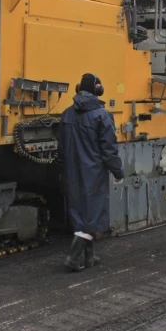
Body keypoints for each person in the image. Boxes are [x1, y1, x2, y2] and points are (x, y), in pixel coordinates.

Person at [58, 73, 124, 272]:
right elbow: (109, 149)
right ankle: (72, 257)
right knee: (93, 214)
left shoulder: (67, 114)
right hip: (93, 172)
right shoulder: (102, 115)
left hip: (72, 171)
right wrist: (118, 171)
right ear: (98, 90)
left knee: (80, 212)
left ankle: (89, 257)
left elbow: (61, 148)